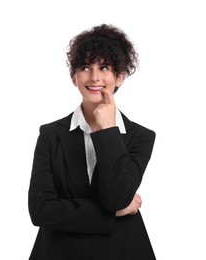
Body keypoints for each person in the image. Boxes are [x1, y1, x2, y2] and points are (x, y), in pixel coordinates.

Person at [28, 24, 156, 260]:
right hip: (59, 252)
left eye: (104, 67)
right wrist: (111, 214)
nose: (95, 77)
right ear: (74, 77)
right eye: (85, 67)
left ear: (119, 77)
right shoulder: (50, 134)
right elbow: (40, 210)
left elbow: (116, 197)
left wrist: (107, 130)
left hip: (122, 251)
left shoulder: (141, 137)